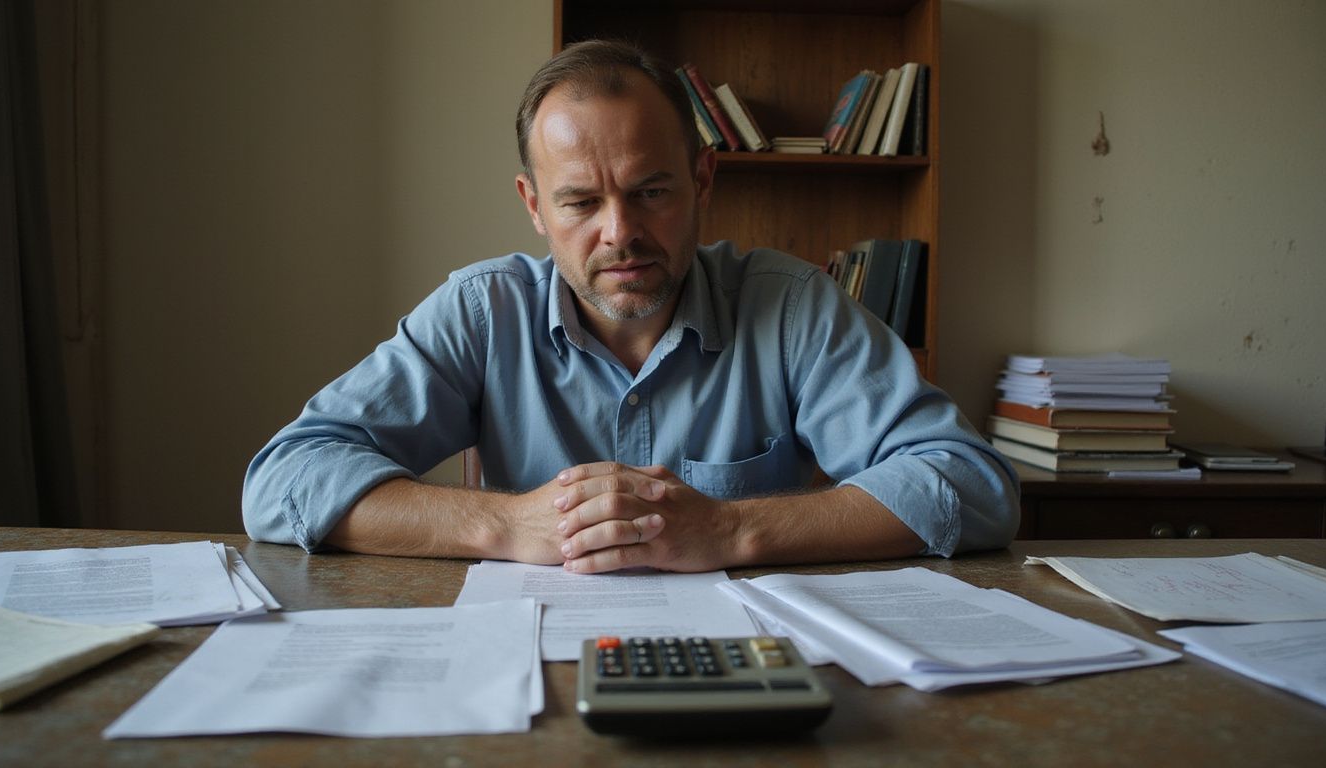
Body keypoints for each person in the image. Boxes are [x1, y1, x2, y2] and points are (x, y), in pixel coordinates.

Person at [242, 40, 1019, 573]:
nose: (621, 234)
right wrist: (509, 526)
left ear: (703, 179)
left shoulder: (790, 309)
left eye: (650, 192)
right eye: (580, 201)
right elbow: (285, 478)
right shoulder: (484, 311)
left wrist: (730, 527)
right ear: (534, 206)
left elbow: (974, 486)